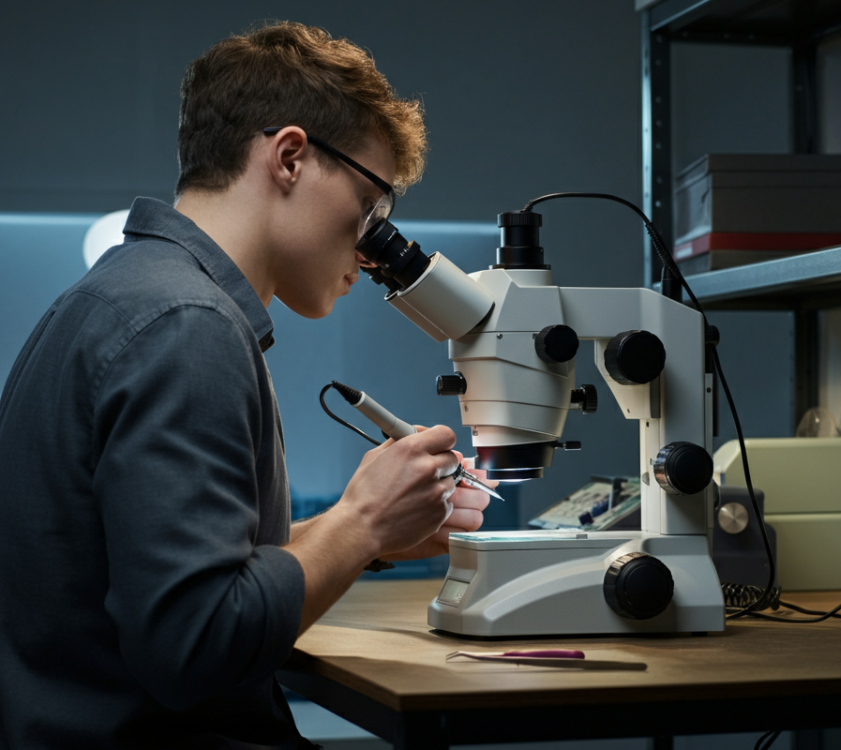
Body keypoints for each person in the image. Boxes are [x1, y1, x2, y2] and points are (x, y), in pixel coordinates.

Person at [0, 21, 490, 749]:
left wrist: (378, 535)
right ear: (290, 157)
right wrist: (356, 524)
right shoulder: (186, 325)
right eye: (372, 206)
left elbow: (182, 570)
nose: (374, 248)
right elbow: (196, 642)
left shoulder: (122, 296)